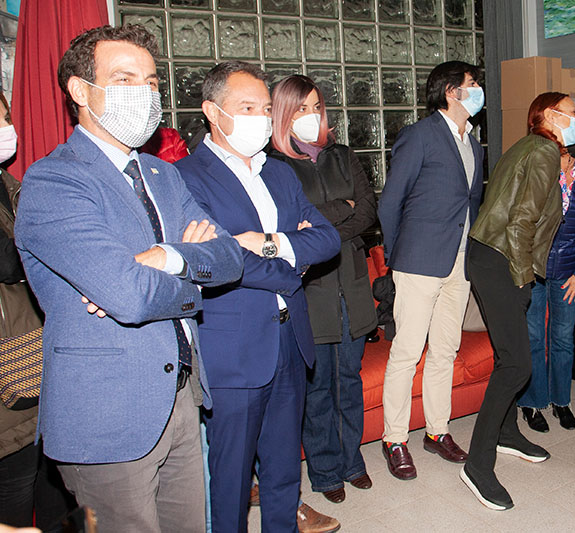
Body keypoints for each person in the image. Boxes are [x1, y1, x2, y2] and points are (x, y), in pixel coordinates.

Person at [14, 24, 244, 532]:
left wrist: (165, 256)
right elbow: (130, 296)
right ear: (80, 91)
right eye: (124, 79)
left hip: (181, 394)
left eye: (151, 82)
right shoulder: (54, 180)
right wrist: (186, 274)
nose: (144, 93)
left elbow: (229, 258)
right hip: (108, 413)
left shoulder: (163, 174)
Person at [175, 61, 340, 532]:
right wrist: (291, 262)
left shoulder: (281, 174)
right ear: (213, 112)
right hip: (234, 349)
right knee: (230, 479)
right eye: (247, 108)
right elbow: (219, 259)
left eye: (266, 109)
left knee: (284, 471)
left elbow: (327, 239)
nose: (262, 118)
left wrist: (268, 242)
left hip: (290, 339)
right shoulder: (185, 177)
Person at [461, 92, 575, 510]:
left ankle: (507, 433)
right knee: (517, 364)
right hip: (502, 261)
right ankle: (477, 464)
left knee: (506, 355)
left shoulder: (530, 147)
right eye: (572, 113)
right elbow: (521, 221)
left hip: (490, 255)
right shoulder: (544, 151)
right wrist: (522, 278)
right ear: (549, 115)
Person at [268, 74, 377, 504]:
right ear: (283, 114)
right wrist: (338, 210)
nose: (312, 116)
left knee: (349, 379)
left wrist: (320, 227)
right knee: (317, 387)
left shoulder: (343, 155)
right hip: (309, 289)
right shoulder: (274, 166)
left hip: (351, 283)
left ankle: (352, 461)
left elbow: (367, 211)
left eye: (316, 107)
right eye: (301, 109)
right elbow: (287, 225)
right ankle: (326, 469)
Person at [377, 61, 484, 480]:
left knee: (445, 351)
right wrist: (397, 256)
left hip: (460, 261)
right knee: (406, 352)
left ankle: (437, 431)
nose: (478, 90)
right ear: (452, 91)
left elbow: (470, 203)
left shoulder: (473, 141)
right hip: (419, 261)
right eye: (472, 84)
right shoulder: (419, 135)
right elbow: (391, 201)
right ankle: (394, 438)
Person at [0, 95, 76, 531]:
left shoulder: (11, 183)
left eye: (4, 118)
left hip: (40, 353)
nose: (5, 129)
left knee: (58, 489)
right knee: (15, 490)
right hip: (11, 369)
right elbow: (12, 262)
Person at [517, 120, 575, 433]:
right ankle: (531, 402)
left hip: (570, 270)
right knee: (533, 337)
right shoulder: (537, 168)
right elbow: (520, 222)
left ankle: (560, 400)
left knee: (563, 339)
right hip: (533, 268)